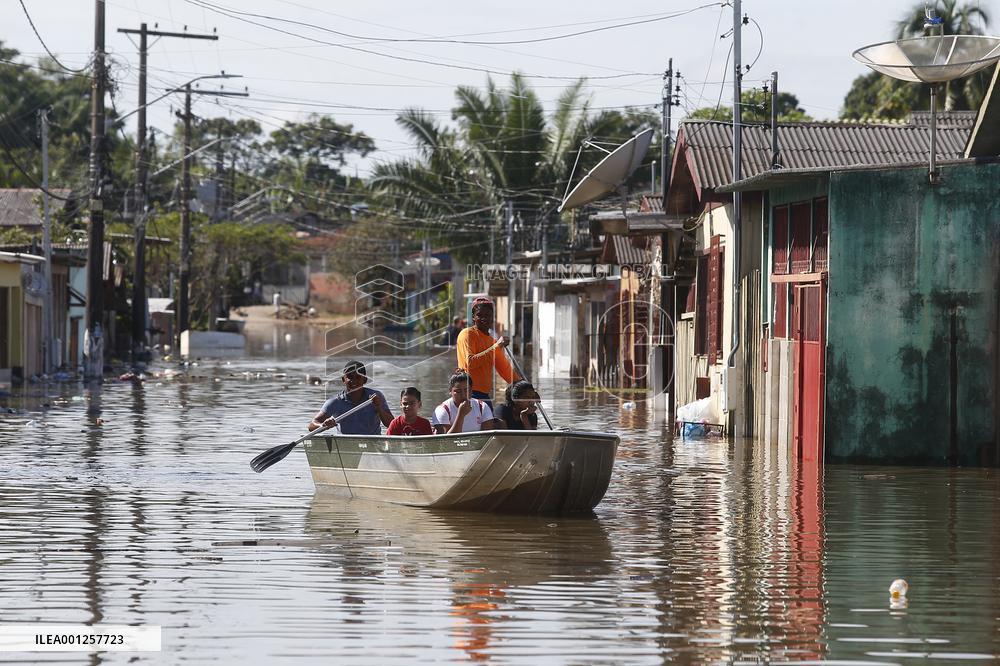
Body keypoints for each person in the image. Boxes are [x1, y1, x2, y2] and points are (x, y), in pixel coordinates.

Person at [456, 297, 519, 409]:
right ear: (474, 317)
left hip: (484, 396)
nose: (484, 318)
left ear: (492, 318)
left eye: (488, 315)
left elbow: (505, 370)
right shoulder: (467, 334)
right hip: (468, 394)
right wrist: (497, 346)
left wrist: (524, 387)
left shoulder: (492, 341)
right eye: (480, 315)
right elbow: (470, 363)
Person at [308, 360, 393, 434]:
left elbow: (391, 424)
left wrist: (379, 407)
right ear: (343, 380)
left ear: (365, 380)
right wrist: (323, 425)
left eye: (358, 377)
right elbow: (312, 426)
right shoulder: (335, 402)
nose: (354, 381)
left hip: (372, 444)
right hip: (346, 445)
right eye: (350, 377)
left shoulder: (376, 397)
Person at [432, 370, 500, 434]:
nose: (463, 395)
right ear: (450, 391)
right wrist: (461, 415)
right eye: (458, 391)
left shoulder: (482, 407)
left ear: (471, 391)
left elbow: (487, 438)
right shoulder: (442, 410)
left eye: (466, 390)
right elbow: (447, 442)